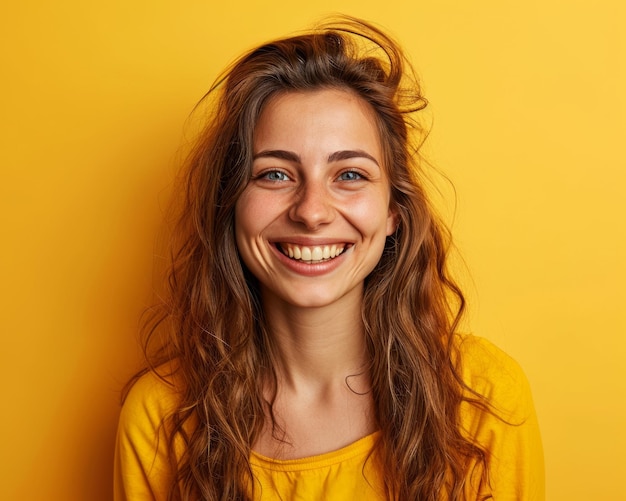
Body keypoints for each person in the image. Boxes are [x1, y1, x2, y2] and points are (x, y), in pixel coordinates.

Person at [114, 16, 544, 501]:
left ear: (394, 213)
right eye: (275, 174)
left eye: (350, 175)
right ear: (229, 205)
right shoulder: (161, 417)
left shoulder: (482, 397)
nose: (312, 212)